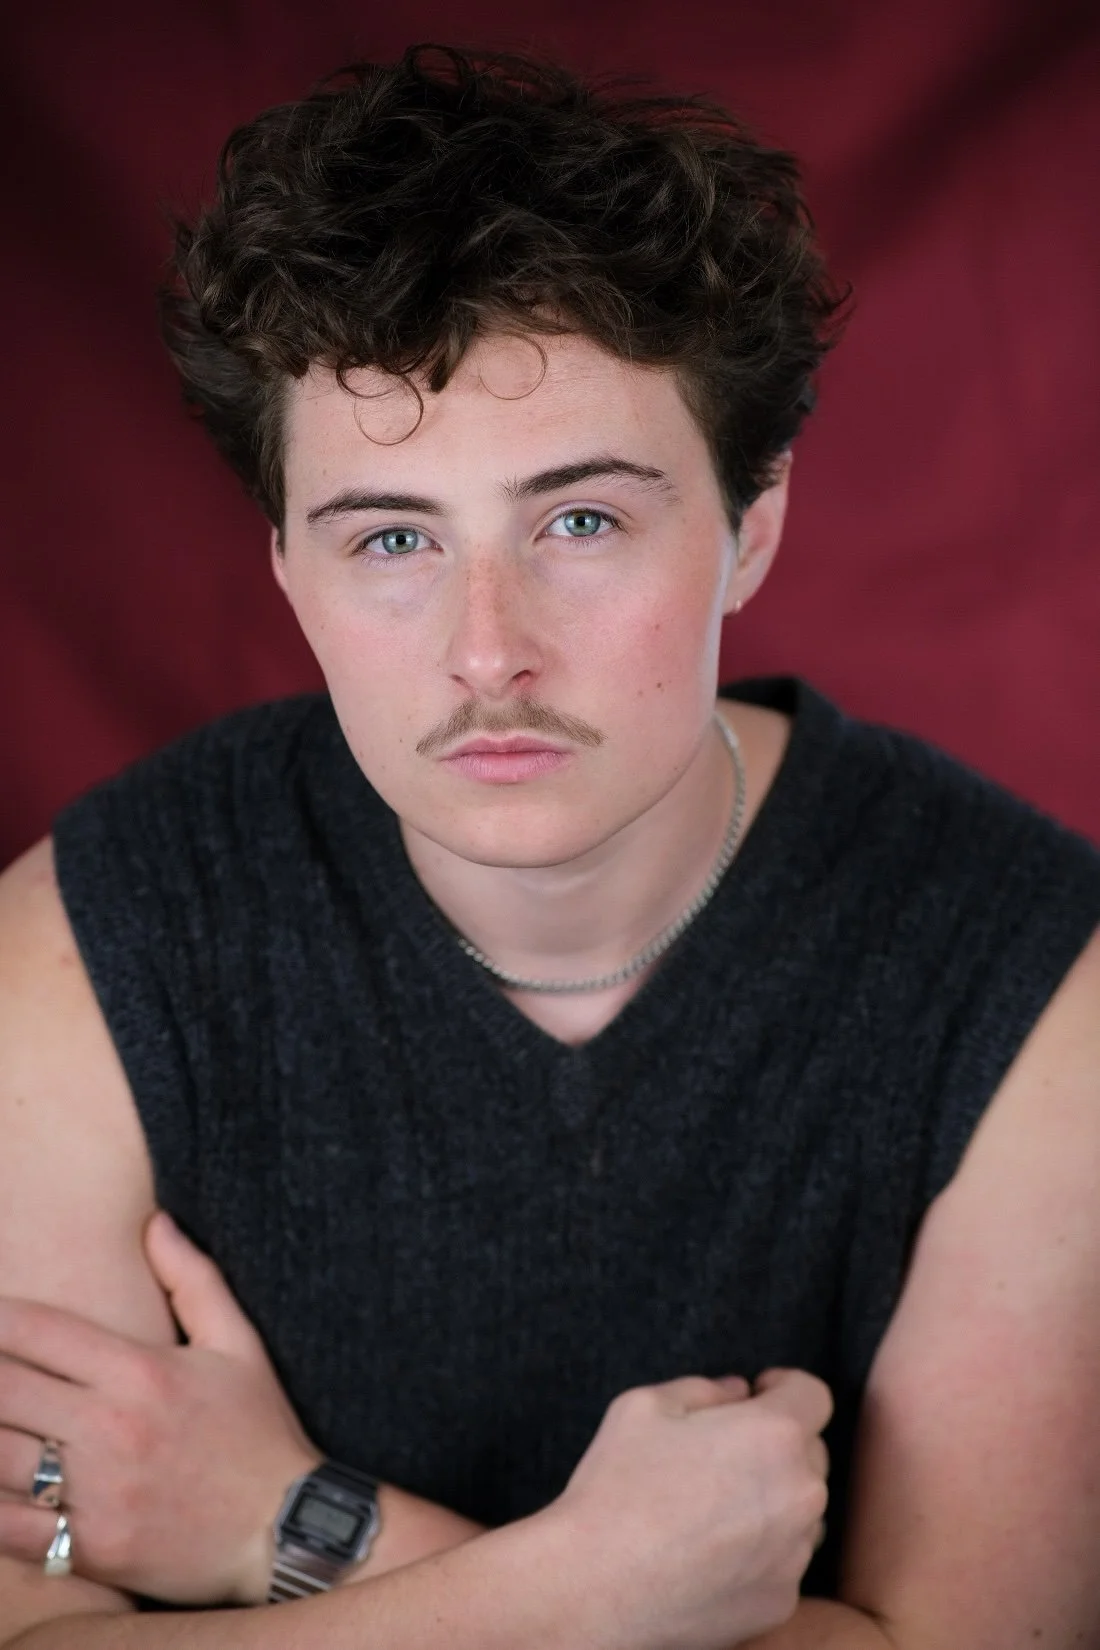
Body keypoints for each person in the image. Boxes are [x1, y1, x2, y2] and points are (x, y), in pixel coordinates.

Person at [1, 41, 1099, 1650]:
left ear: (755, 525)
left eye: (580, 520)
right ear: (292, 571)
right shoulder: (77, 959)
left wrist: (297, 1529)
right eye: (391, 538)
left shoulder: (1038, 986)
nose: (487, 648)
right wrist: (586, 1590)